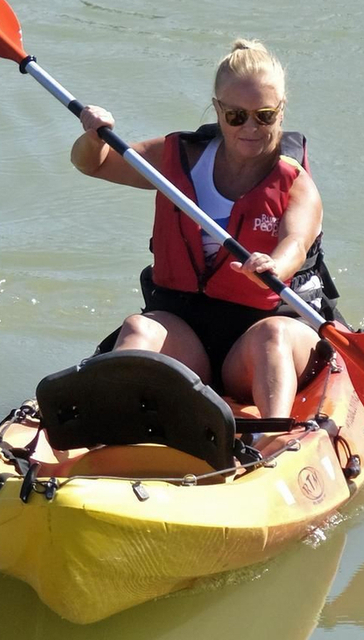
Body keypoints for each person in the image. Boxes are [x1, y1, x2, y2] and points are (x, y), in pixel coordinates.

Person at [69, 38, 332, 421]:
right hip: (186, 331)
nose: (251, 128)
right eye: (237, 116)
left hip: (266, 330)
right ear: (218, 110)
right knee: (138, 328)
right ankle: (111, 433)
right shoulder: (177, 157)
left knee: (270, 338)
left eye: (264, 115)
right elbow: (93, 164)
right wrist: (93, 138)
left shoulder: (296, 184)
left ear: (281, 111)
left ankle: (273, 441)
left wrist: (274, 265)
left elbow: (295, 242)